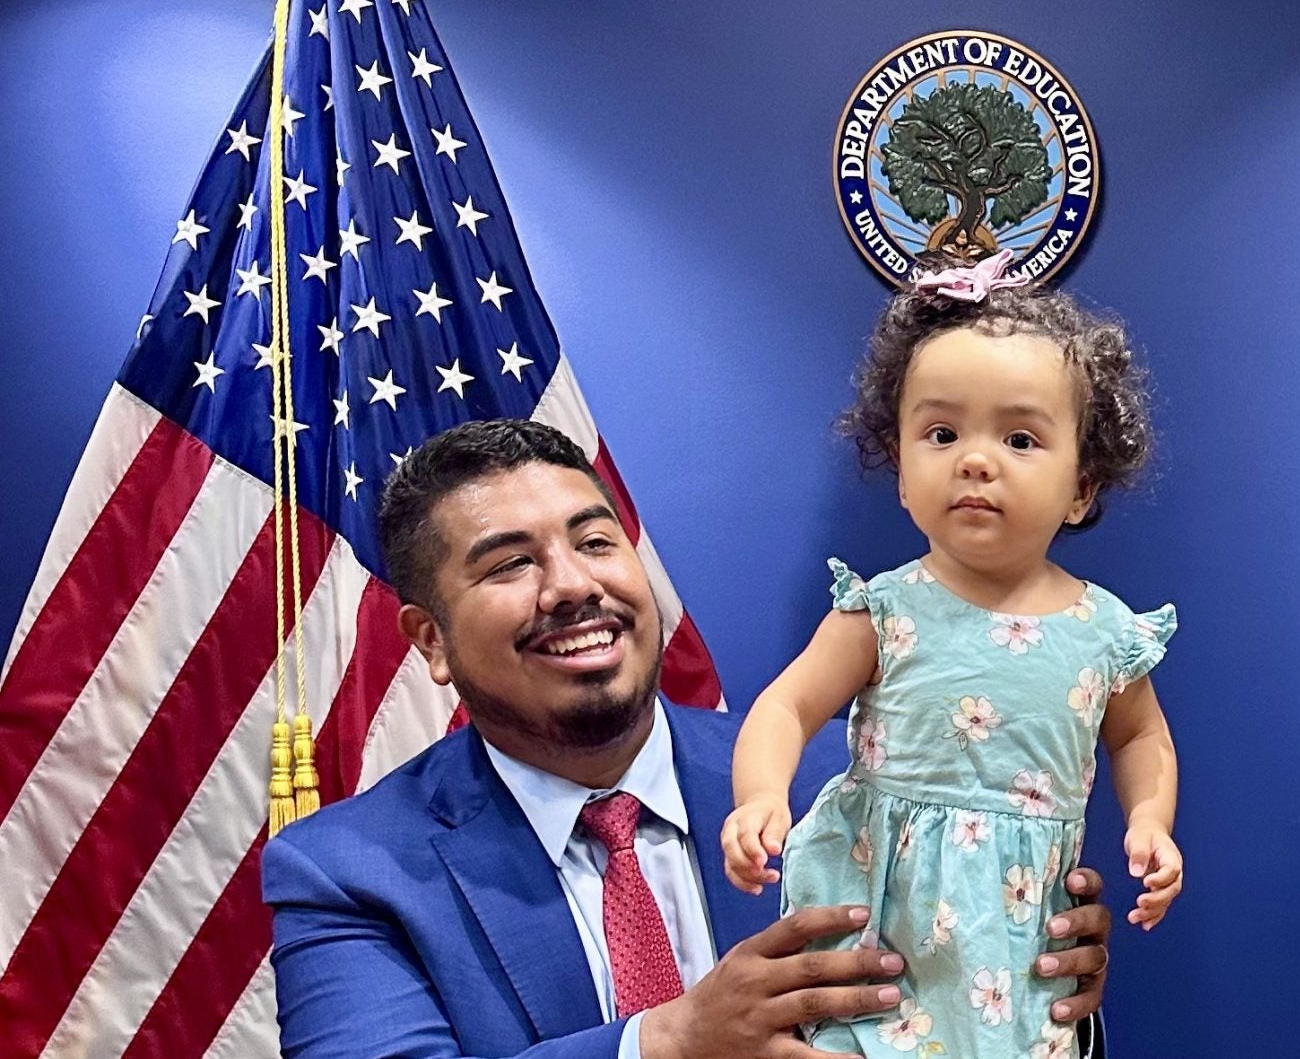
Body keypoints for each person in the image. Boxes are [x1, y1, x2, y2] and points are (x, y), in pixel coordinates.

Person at [261, 418, 1111, 1058]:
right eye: (510, 563)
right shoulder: (344, 871)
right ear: (431, 641)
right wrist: (668, 1042)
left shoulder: (845, 779)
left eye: (596, 541)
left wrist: (1044, 989)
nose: (573, 585)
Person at [722, 250, 1182, 1058]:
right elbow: (788, 705)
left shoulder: (1104, 631)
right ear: (900, 472)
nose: (976, 458)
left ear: (1082, 486)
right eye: (942, 432)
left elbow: (1140, 736)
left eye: (1019, 436)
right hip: (885, 923)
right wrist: (760, 796)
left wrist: (1151, 820)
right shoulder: (884, 610)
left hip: (1017, 940)